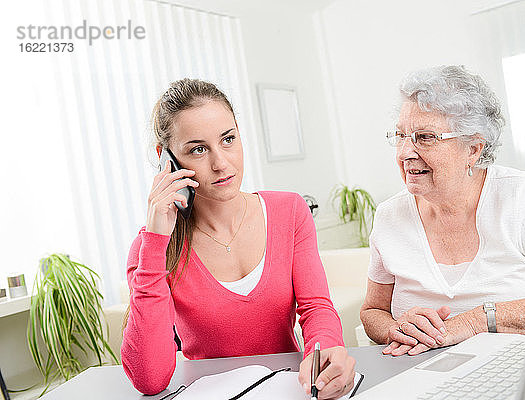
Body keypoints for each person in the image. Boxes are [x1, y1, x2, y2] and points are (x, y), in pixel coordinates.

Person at [121, 78, 355, 397]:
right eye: (198, 149)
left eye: (228, 139)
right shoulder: (153, 246)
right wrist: (156, 240)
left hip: (289, 390)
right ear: (167, 159)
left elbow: (316, 308)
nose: (221, 163)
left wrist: (324, 352)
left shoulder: (289, 211)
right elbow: (150, 379)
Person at [360, 65, 525, 357]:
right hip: (420, 372)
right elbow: (373, 310)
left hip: (523, 367)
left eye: (425, 137)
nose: (404, 153)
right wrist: (395, 328)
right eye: (400, 135)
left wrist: (477, 320)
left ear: (473, 148)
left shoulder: (521, 195)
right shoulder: (389, 216)